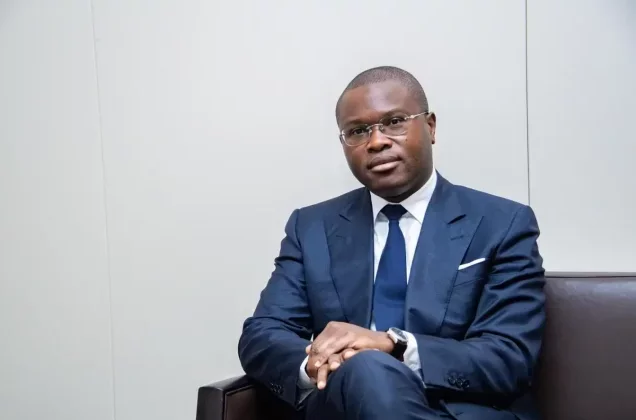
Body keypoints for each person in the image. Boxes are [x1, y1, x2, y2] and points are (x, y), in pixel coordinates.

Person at [238, 66, 546, 420]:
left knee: (370, 365)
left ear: (430, 127)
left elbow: (509, 356)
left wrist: (394, 345)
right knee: (366, 370)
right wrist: (318, 363)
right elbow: (263, 335)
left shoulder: (502, 223)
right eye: (358, 131)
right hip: (343, 404)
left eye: (394, 122)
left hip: (461, 412)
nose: (376, 142)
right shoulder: (312, 228)